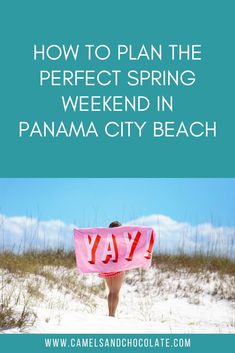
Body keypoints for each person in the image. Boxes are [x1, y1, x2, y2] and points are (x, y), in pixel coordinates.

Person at [99, 221, 125, 317]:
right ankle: (112, 314)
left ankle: (110, 313)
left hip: (107, 267)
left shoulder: (105, 240)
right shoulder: (121, 241)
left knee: (111, 291)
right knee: (116, 292)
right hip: (118, 266)